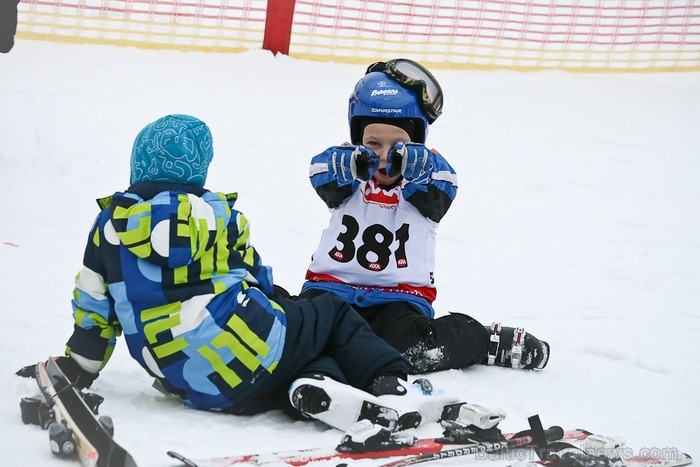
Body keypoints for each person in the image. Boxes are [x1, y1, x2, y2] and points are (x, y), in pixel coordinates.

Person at [18, 114, 429, 433]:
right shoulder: (221, 218)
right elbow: (259, 282)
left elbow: (93, 306)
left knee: (294, 348)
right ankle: (388, 380)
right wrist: (288, 305)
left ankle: (318, 385)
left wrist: (80, 366)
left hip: (193, 383)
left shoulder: (109, 226)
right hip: (252, 350)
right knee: (328, 313)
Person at [300, 59, 550, 374]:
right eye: (373, 144)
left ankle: (481, 340)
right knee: (297, 334)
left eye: (397, 145)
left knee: (411, 350)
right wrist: (345, 162)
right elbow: (320, 172)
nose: (383, 155)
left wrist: (420, 165)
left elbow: (444, 186)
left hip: (397, 300)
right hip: (330, 288)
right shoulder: (348, 175)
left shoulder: (424, 182)